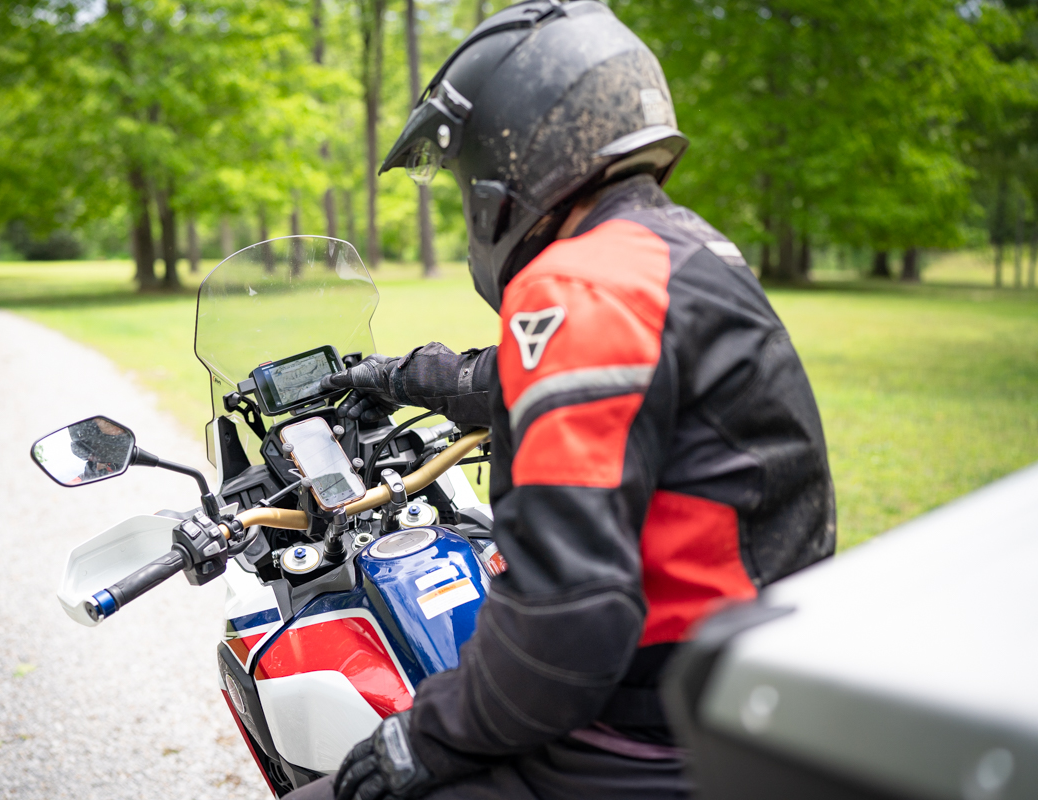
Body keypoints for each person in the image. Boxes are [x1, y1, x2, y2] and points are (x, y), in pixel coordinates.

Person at [298, 2, 836, 798]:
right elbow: (527, 382)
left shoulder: (582, 281)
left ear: (510, 155)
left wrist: (422, 738)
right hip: (742, 685)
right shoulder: (669, 249)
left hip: (645, 734)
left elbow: (565, 623)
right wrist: (397, 374)